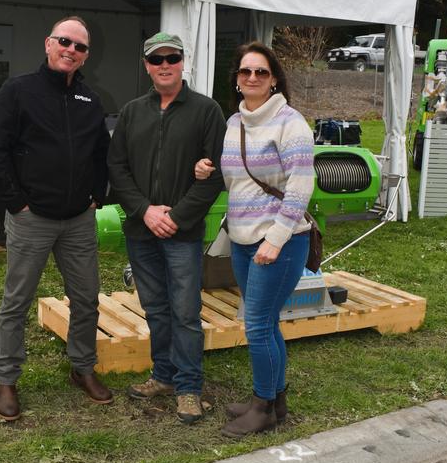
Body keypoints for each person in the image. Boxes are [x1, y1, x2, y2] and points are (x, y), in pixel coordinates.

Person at [0, 16, 112, 420]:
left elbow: (101, 155)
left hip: (77, 220)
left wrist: (97, 196)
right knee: (16, 301)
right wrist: (17, 202)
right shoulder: (18, 91)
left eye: (80, 47)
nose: (71, 50)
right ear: (48, 43)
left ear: (86, 55)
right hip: (31, 218)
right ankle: (6, 379)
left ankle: (82, 368)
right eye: (64, 42)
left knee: (87, 298)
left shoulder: (91, 100)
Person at [195, 41, 314, 438]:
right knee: (268, 323)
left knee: (258, 325)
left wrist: (275, 239)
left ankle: (262, 408)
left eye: (260, 72)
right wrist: (204, 169)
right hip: (243, 239)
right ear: (237, 80)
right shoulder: (234, 123)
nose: (252, 78)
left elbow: (300, 187)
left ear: (274, 78)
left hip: (278, 241)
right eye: (245, 72)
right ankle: (275, 401)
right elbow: (235, 180)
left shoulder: (290, 122)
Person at [108, 32, 226, 424]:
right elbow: (117, 168)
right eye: (156, 59)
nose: (164, 65)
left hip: (182, 233)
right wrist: (144, 211)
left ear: (182, 62)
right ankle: (163, 375)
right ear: (146, 66)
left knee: (186, 312)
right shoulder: (131, 112)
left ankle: (189, 387)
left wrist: (175, 217)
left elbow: (214, 175)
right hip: (142, 231)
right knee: (155, 308)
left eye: (171, 58)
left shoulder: (207, 111)